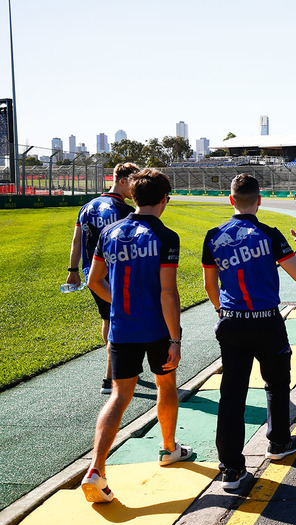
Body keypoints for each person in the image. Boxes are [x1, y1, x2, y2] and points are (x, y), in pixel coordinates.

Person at [81, 169, 192, 503]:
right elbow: (168, 294)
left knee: (119, 396)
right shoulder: (165, 235)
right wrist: (175, 339)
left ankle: (96, 469)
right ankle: (170, 449)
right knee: (166, 384)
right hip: (157, 329)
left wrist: (124, 303)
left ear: (132, 196)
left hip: (122, 328)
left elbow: (94, 280)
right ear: (164, 199)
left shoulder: (111, 232)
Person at [202, 174, 296, 490]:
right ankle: (278, 443)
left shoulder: (213, 236)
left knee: (232, 394)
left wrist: (221, 310)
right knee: (276, 384)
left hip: (232, 322)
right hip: (266, 321)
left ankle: (231, 470)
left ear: (231, 200)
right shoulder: (269, 234)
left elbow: (211, 285)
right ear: (259, 200)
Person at [67, 162, 137, 394]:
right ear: (123, 181)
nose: (135, 189)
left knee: (108, 320)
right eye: (133, 183)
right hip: (115, 275)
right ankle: (110, 378)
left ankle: (116, 366)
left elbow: (77, 241)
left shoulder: (87, 206)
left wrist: (73, 270)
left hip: (91, 275)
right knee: (116, 321)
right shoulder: (124, 211)